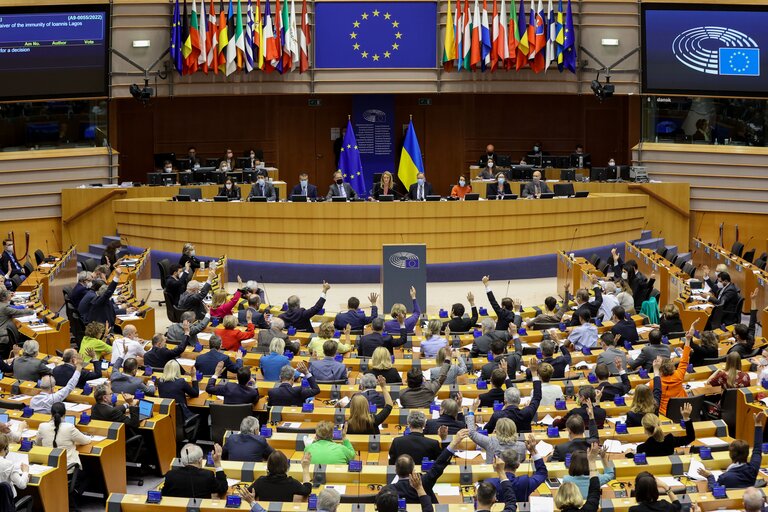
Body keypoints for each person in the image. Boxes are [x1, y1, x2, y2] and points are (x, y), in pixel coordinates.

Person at [393, 430, 468, 503]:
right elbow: (439, 464)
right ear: (413, 469)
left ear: (396, 470)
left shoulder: (389, 490)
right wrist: (454, 442)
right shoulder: (424, 482)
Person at [699, 412, 764, 489]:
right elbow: (757, 449)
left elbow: (714, 490)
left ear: (731, 454)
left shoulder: (724, 477)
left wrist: (710, 476)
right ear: (747, 453)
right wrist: (758, 424)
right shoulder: (753, 469)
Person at [486, 359, 542, 434]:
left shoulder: (498, 416)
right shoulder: (527, 413)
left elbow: (486, 431)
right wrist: (534, 373)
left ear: (505, 401)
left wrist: (505, 373)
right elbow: (537, 397)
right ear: (519, 401)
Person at [37, 402, 92, 473]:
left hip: (49, 469)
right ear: (64, 414)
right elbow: (86, 441)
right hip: (68, 469)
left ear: (51, 414)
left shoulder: (42, 426)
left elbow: (38, 444)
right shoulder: (69, 427)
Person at [162, 443, 228, 498]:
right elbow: (223, 488)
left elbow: (163, 495)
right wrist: (217, 463)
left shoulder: (170, 475)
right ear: (200, 460)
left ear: (182, 461)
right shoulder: (207, 475)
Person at [652, 337, 690, 416]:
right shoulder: (679, 375)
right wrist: (688, 340)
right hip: (682, 411)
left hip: (664, 414)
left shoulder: (655, 383)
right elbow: (684, 360)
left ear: (660, 369)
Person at [0, 433, 29, 498]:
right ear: (5, 448)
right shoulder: (8, 464)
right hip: (6, 503)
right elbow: (22, 485)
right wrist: (25, 471)